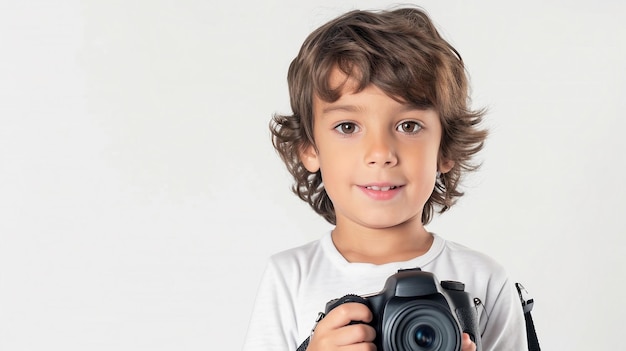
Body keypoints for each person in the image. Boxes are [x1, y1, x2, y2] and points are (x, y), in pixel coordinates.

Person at [243, 6, 528, 351]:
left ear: (445, 149)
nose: (380, 152)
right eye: (347, 127)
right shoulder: (290, 278)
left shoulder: (485, 281)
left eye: (408, 126)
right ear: (309, 148)